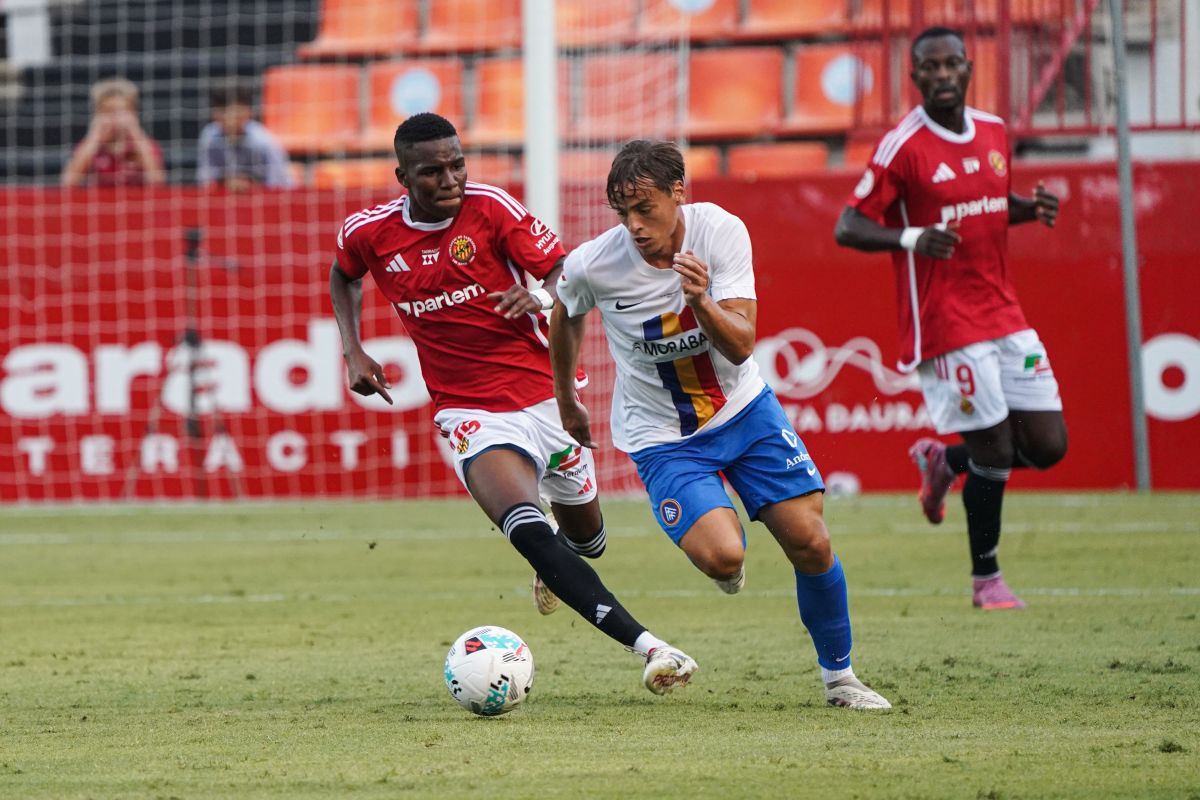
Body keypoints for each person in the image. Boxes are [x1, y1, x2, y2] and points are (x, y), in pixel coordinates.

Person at [327, 112, 696, 695]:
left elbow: (565, 275)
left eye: (457, 165)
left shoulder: (493, 208)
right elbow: (343, 273)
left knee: (588, 542)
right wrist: (353, 351)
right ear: (403, 177)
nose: (450, 180)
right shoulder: (369, 232)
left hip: (549, 398)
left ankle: (554, 552)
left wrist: (540, 293)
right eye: (432, 172)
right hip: (469, 410)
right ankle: (650, 646)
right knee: (527, 529)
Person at [549, 139, 891, 710]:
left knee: (810, 540)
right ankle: (722, 551)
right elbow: (565, 312)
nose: (633, 226)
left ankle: (841, 679)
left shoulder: (721, 232)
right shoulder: (595, 264)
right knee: (724, 557)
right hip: (662, 437)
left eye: (645, 209)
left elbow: (740, 344)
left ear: (678, 193)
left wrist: (700, 299)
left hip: (743, 411)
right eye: (622, 213)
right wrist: (566, 397)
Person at [833, 27, 1066, 610]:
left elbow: (982, 206)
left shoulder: (993, 132)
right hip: (945, 321)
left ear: (967, 70)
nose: (941, 76)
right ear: (915, 78)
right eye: (928, 68)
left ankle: (944, 461)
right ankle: (986, 580)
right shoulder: (902, 145)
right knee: (993, 450)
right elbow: (849, 225)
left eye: (950, 66)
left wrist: (1026, 210)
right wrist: (912, 236)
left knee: (1046, 446)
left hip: (1004, 311)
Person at [61, 78, 166, 187]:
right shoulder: (90, 147)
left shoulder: (144, 145)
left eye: (122, 111)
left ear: (134, 113)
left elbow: (157, 181)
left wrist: (136, 133)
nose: (115, 118)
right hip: (100, 202)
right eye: (108, 111)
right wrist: (94, 136)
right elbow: (69, 182)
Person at [197, 83, 294, 190]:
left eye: (237, 111)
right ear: (214, 114)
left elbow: (280, 185)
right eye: (223, 110)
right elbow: (205, 182)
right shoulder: (209, 137)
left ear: (249, 112)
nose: (230, 118)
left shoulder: (263, 142)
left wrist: (250, 186)